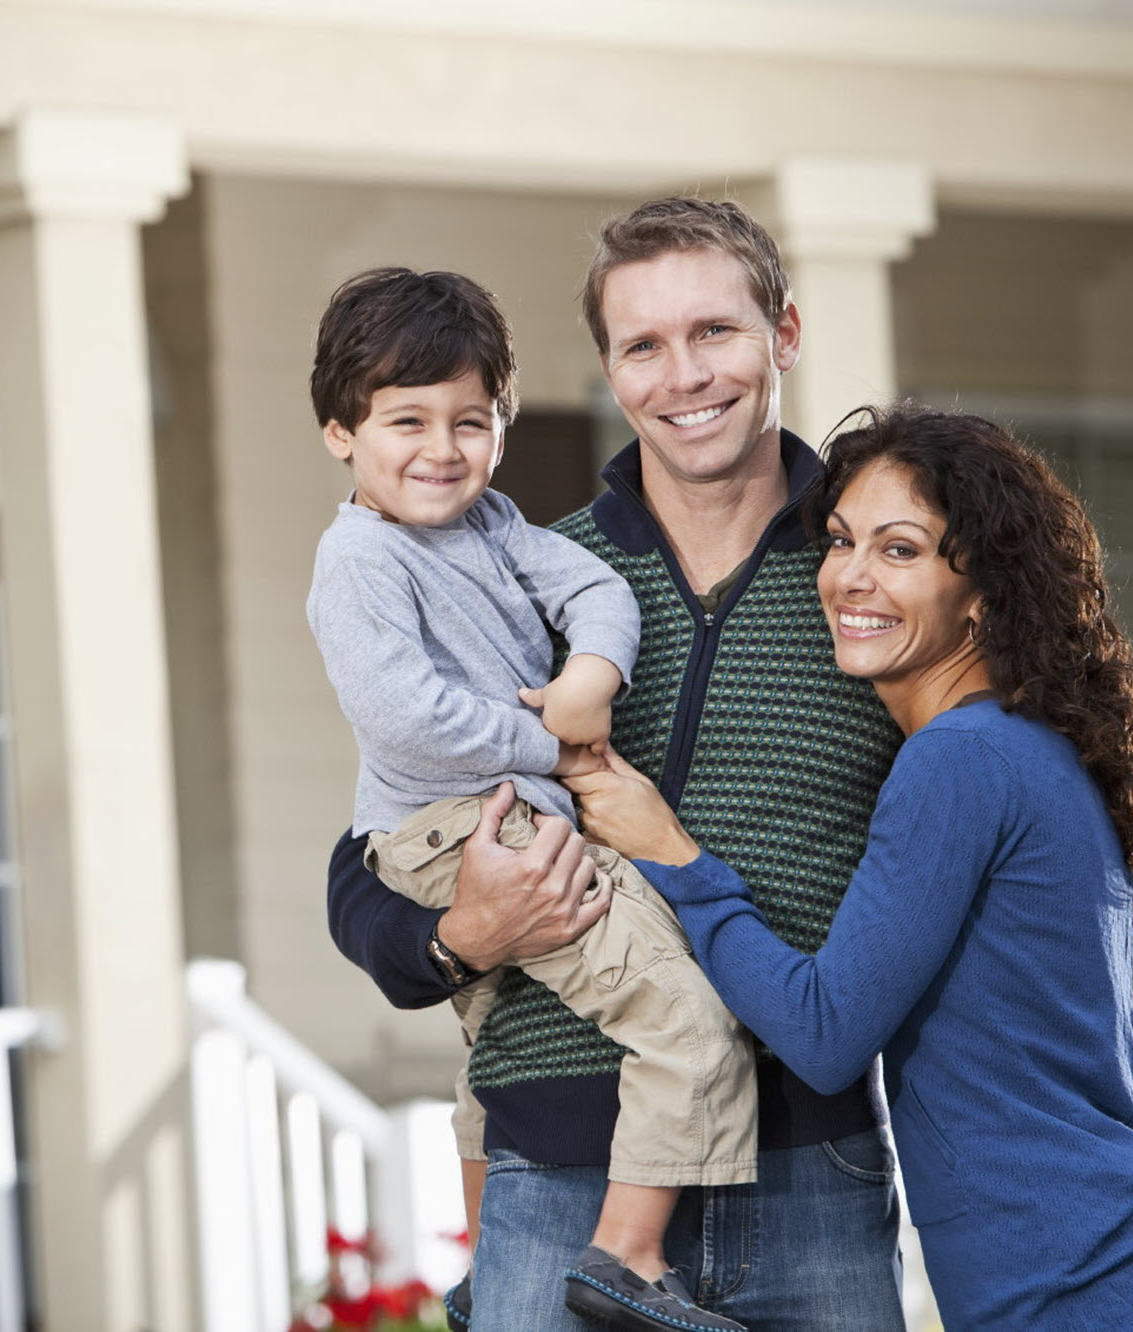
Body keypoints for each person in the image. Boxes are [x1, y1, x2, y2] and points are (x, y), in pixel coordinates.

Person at [326, 200, 908, 1330]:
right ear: (607, 368)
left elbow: (959, 816)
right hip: (557, 1177)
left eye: (715, 333)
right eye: (642, 345)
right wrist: (456, 940)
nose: (683, 375)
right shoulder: (519, 570)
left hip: (813, 1178)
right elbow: (370, 854)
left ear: (782, 332)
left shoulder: (868, 576)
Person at [569, 405, 1133, 1330]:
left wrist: (670, 851)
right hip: (1104, 1283)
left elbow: (823, 1033)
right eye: (843, 540)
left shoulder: (961, 759)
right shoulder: (1018, 747)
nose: (850, 575)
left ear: (983, 589)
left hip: (1086, 1294)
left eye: (901, 550)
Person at [305, 266, 759, 1332]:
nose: (441, 448)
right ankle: (627, 1256)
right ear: (340, 433)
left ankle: (479, 1274)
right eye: (405, 420)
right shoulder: (357, 559)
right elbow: (406, 714)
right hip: (457, 826)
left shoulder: (493, 525)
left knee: (491, 1046)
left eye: (470, 421)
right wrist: (550, 748)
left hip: (498, 813)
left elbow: (593, 590)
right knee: (689, 1023)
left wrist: (588, 678)